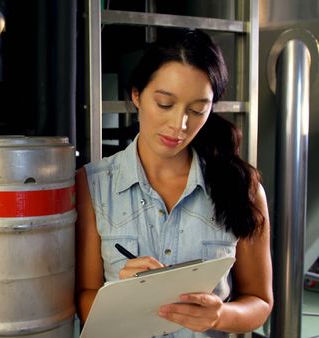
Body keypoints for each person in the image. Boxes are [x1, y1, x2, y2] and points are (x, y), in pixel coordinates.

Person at [75, 29, 273, 337]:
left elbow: (259, 301)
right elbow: (84, 297)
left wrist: (219, 315)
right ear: (137, 94)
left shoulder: (242, 187)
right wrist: (122, 297)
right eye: (165, 104)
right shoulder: (92, 185)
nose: (179, 125)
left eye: (196, 110)